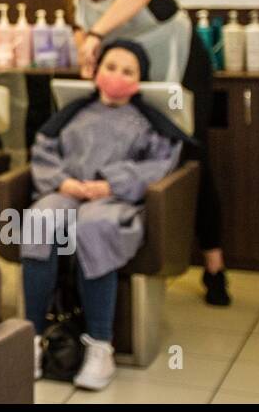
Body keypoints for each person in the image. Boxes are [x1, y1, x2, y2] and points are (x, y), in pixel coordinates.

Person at [40, 0, 231, 307]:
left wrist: (97, 35)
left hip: (181, 68)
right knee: (130, 151)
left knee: (191, 155)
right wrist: (88, 58)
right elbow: (84, 45)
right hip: (131, 79)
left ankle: (214, 267)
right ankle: (121, 256)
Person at [22, 40, 191, 390]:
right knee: (39, 221)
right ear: (96, 71)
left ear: (139, 80)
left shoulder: (148, 123)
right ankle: (32, 339)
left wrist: (111, 185)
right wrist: (63, 182)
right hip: (66, 192)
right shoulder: (73, 115)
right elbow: (44, 152)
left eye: (127, 71)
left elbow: (159, 164)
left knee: (94, 226)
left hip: (115, 202)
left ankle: (101, 347)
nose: (116, 76)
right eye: (110, 67)